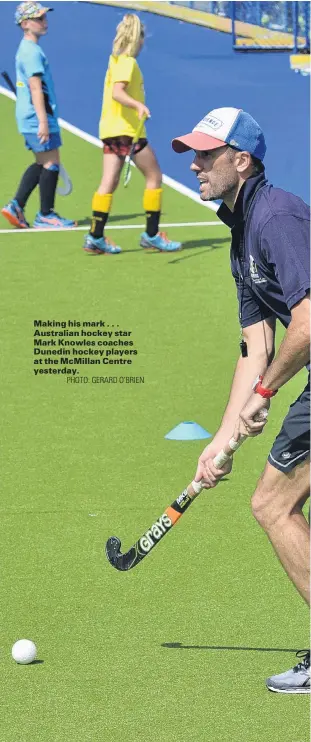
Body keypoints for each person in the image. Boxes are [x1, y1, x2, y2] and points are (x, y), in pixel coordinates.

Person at [172, 107, 310, 694]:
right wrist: (221, 439)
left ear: (241, 160)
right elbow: (257, 344)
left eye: (207, 155)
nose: (197, 165)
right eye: (195, 154)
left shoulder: (277, 217)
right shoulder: (240, 229)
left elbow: (305, 326)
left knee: (272, 504)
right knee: (274, 502)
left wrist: (265, 394)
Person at [83, 13, 181, 255]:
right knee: (154, 176)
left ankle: (95, 236)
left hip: (109, 130)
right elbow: (118, 92)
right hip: (128, 132)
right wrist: (138, 106)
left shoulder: (115, 61)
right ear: (138, 38)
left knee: (109, 182)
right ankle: (151, 234)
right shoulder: (128, 63)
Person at [1, 1, 76, 230]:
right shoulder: (32, 52)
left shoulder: (28, 49)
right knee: (51, 161)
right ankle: (45, 214)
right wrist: (44, 121)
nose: (44, 22)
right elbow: (36, 88)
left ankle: (16, 205)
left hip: (29, 117)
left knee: (42, 161)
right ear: (25, 24)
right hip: (38, 118)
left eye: (44, 17)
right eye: (38, 18)